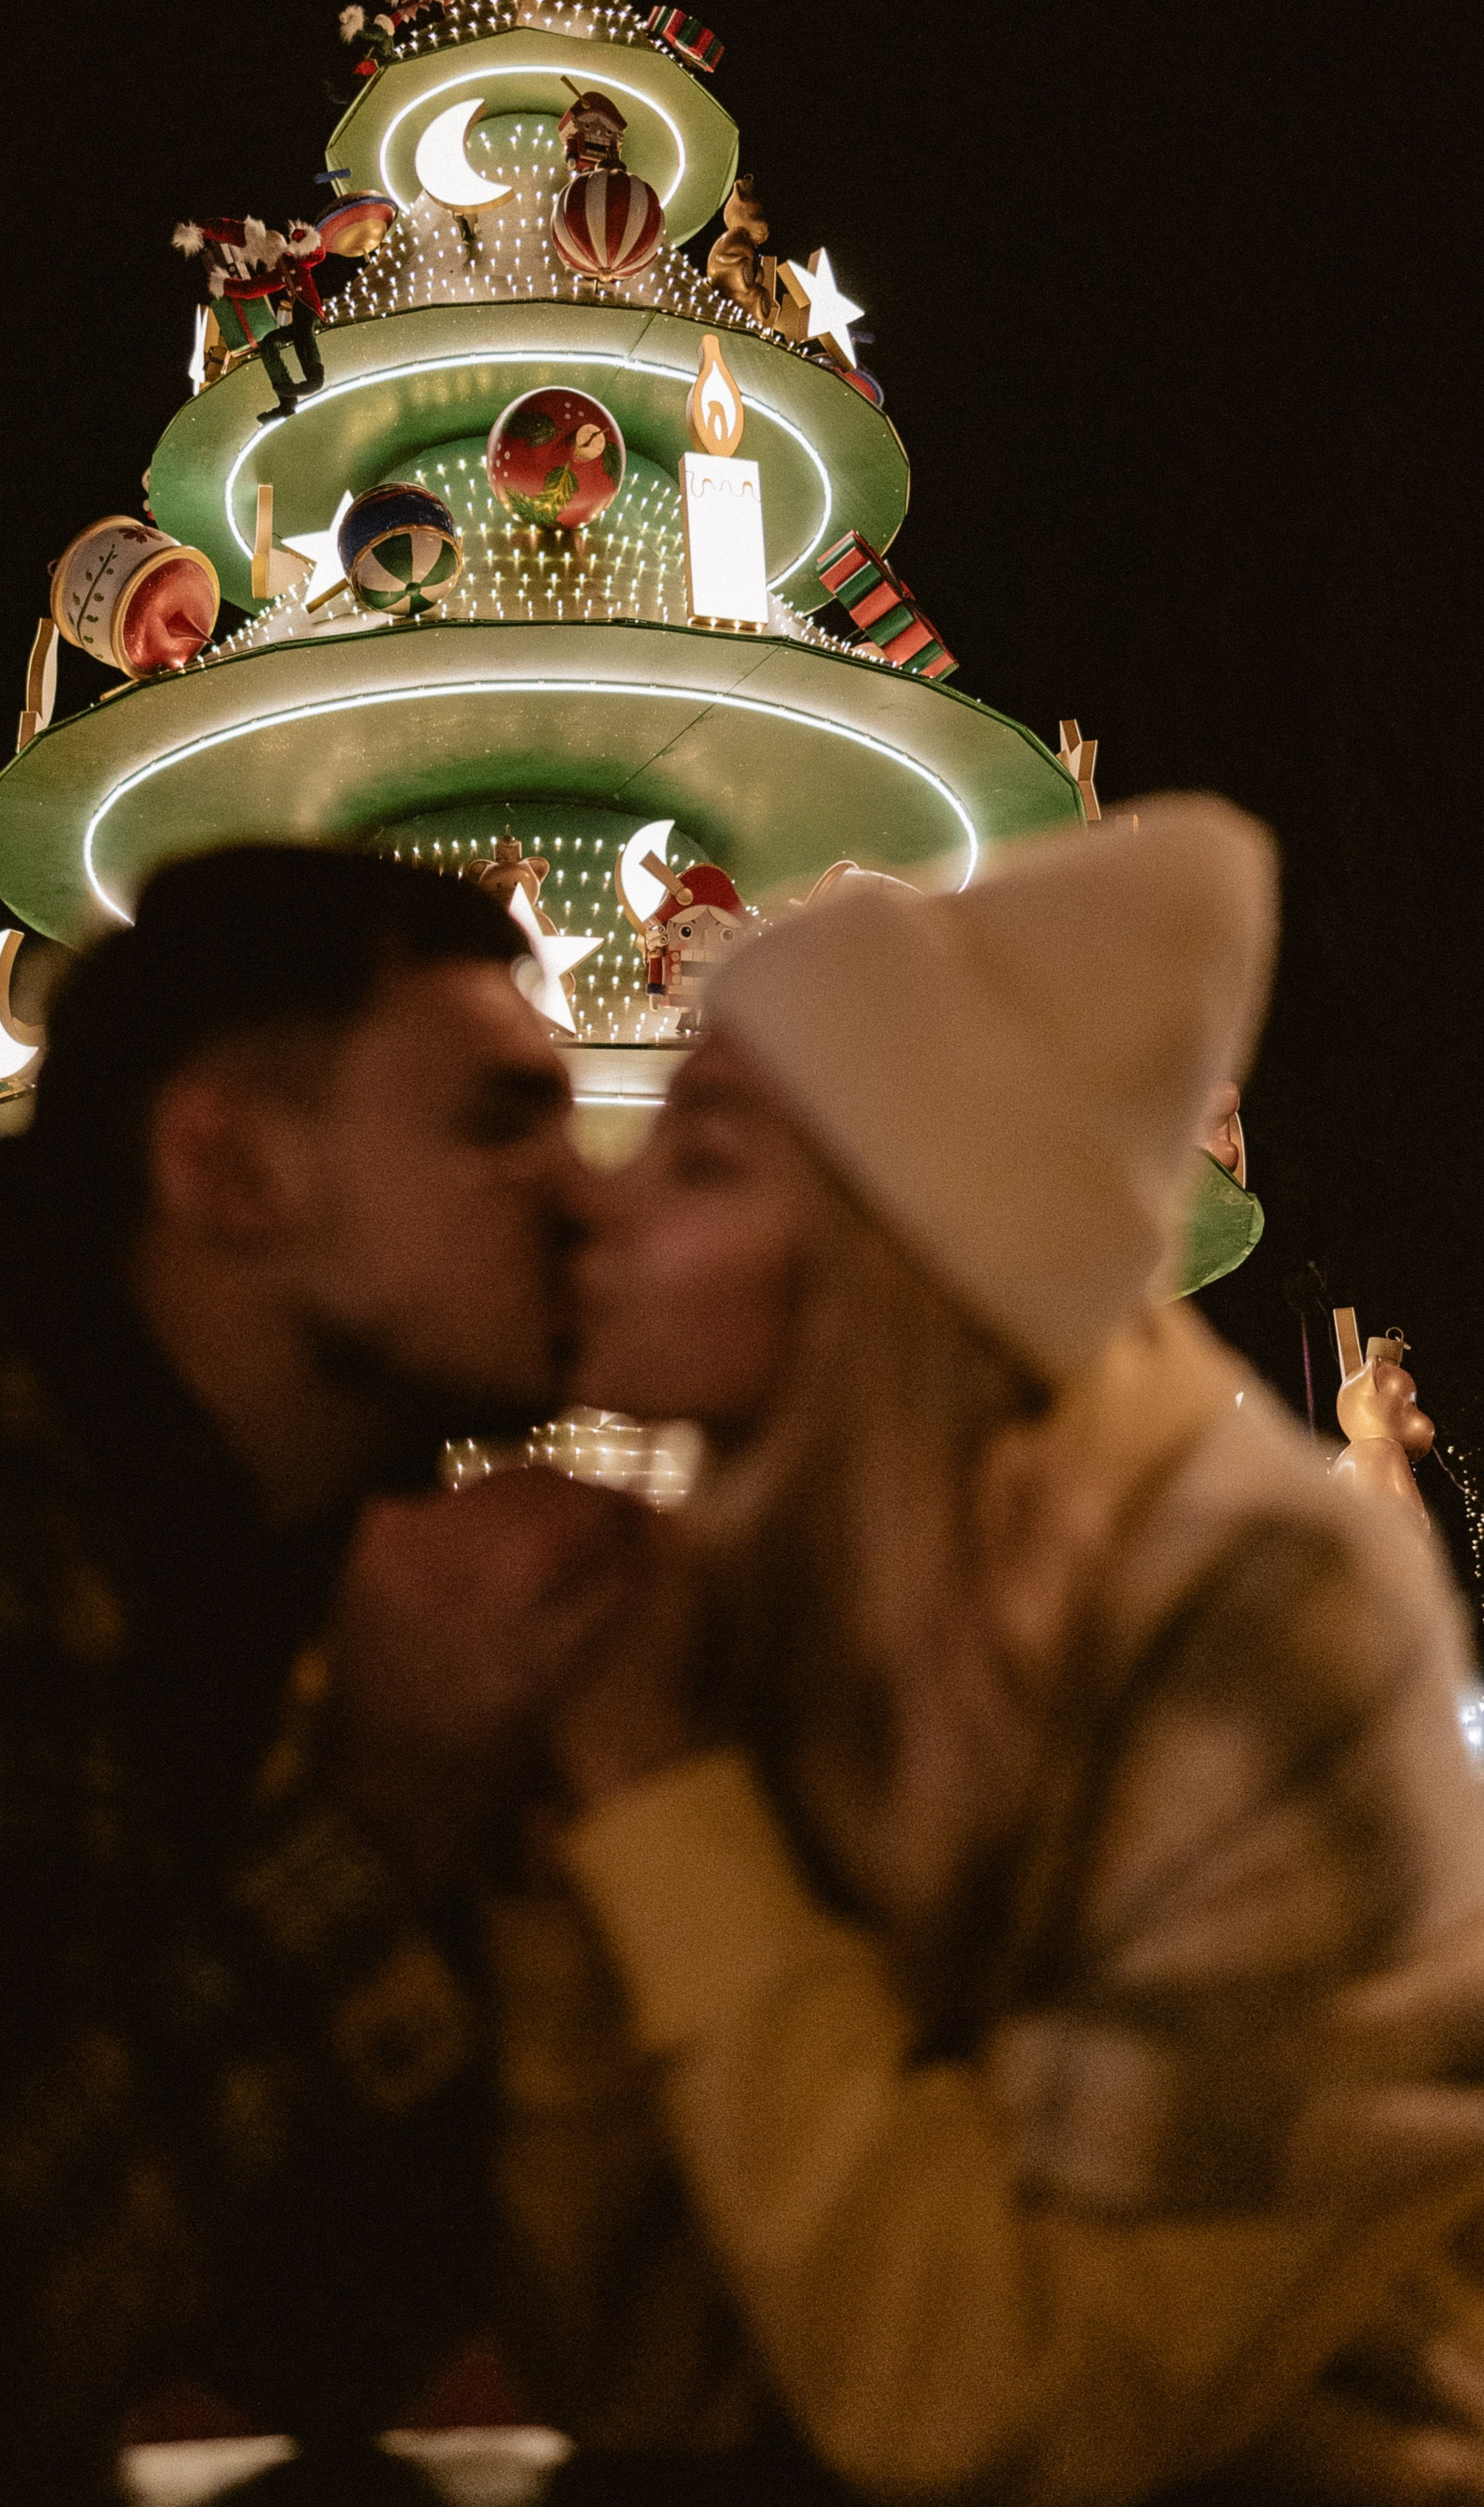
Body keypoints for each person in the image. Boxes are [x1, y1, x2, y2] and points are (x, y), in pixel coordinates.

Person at [0, 843, 633, 2506]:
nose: (588, 1195)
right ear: (228, 1167)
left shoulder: (301, 1572)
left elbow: (342, 2317)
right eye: (495, 1123)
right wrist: (373, 1823)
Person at [479, 798, 1484, 2504]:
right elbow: (640, 2357)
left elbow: (1001, 2410)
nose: (602, 1203)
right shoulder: (743, 1593)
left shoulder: (1260, 1622)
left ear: (895, 1266)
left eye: (703, 1158)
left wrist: (650, 1792)